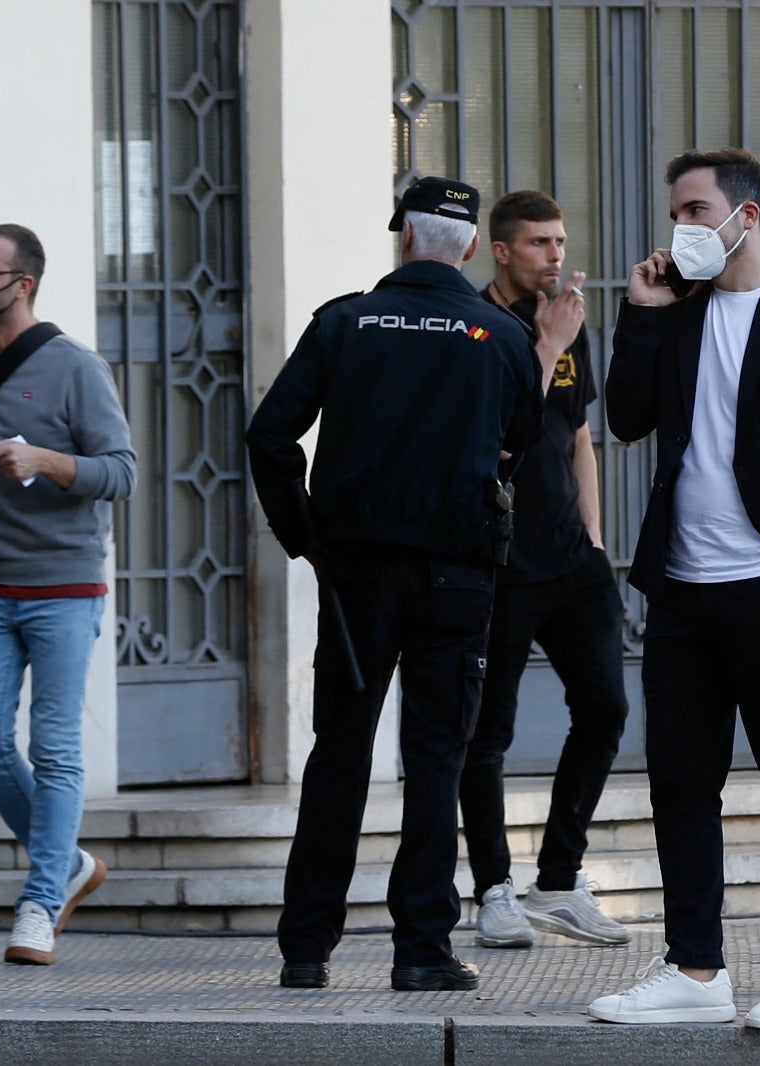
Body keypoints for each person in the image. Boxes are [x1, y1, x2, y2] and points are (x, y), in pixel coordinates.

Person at [588, 148, 760, 1031]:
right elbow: (627, 418)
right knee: (680, 782)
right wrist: (639, 315)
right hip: (683, 588)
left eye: (697, 209)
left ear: (745, 218)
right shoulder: (681, 312)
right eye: (678, 210)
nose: (683, 227)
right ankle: (696, 968)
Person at [246, 176, 547, 993]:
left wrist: (304, 536)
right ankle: (421, 949)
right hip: (457, 579)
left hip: (355, 579)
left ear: (404, 238)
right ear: (473, 248)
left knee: (338, 757)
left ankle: (305, 951)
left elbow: (269, 436)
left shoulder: (344, 323)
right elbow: (526, 434)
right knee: (436, 759)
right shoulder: (502, 334)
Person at [0, 223, 135, 965]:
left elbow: (120, 472)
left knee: (53, 750)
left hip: (64, 586)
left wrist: (48, 460)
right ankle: (70, 863)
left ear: (21, 284)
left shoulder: (75, 368)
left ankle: (41, 900)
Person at [459, 190, 631, 949]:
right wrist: (550, 347)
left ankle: (559, 878)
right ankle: (494, 889)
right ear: (501, 251)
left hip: (571, 561)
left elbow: (579, 436)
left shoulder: (567, 317)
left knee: (605, 711)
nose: (555, 256)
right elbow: (496, 427)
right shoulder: (475, 328)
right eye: (538, 244)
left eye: (559, 241)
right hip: (496, 565)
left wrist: (595, 535)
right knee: (485, 733)